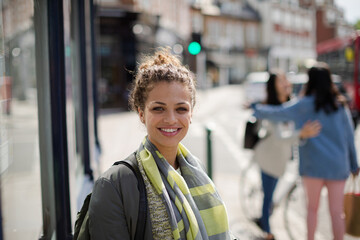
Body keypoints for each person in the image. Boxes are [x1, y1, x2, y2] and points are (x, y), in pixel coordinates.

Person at [88, 48, 233, 240]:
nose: (171, 119)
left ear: (191, 114)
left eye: (181, 109)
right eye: (158, 108)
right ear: (141, 113)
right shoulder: (113, 186)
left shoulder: (197, 170)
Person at [252, 62, 359, 240]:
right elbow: (350, 138)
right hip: (338, 166)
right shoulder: (340, 106)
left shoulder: (304, 104)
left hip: (312, 165)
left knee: (312, 210)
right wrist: (354, 165)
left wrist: (256, 108)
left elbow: (278, 112)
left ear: (310, 81)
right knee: (337, 212)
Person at [251, 70, 321, 240]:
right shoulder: (273, 109)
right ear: (273, 87)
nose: (286, 83)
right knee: (268, 197)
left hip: (281, 160)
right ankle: (267, 231)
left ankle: (264, 219)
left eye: (286, 79)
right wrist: (302, 134)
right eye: (281, 81)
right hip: (268, 158)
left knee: (272, 194)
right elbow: (280, 138)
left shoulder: (292, 105)